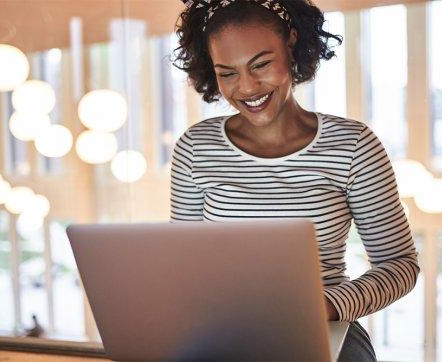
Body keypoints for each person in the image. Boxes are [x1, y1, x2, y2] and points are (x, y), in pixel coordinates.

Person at [170, 0, 420, 360]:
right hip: (225, 330)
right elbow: (182, 259)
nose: (247, 87)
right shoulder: (196, 147)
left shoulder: (353, 145)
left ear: (291, 43)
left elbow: (399, 265)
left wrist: (326, 306)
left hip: (325, 327)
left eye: (261, 64)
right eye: (228, 73)